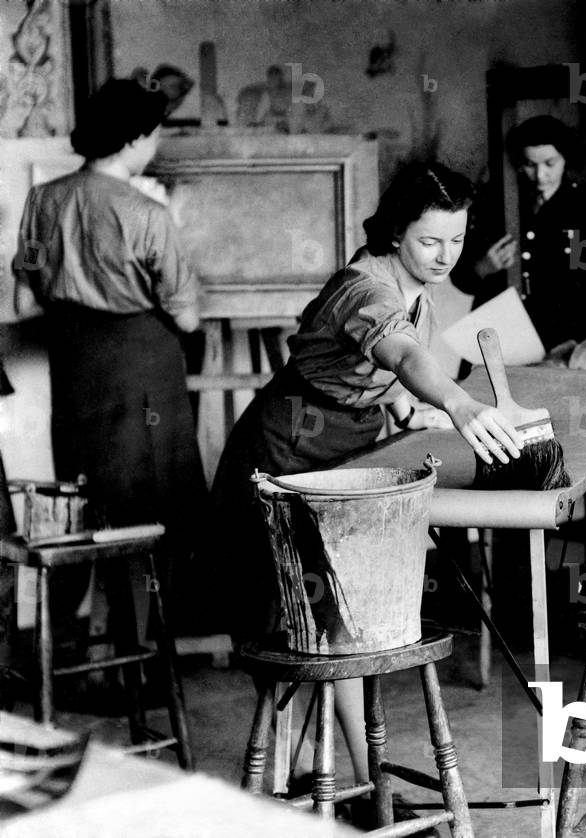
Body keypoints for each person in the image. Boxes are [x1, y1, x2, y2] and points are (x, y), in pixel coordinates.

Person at [209, 160, 523, 808]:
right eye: (429, 241)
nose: (444, 256)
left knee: (339, 622)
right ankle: (363, 788)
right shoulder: (366, 287)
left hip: (342, 456)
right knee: (324, 626)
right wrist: (463, 407)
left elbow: (388, 381)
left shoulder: (417, 292)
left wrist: (417, 410)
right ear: (395, 232)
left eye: (457, 241)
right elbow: (404, 356)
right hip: (282, 454)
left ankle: (339, 779)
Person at [11, 79, 206, 637]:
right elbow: (187, 316)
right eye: (154, 133)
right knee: (151, 509)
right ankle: (144, 648)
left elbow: (25, 297)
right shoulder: (146, 213)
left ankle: (102, 645)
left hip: (74, 366)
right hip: (140, 366)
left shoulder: (42, 201)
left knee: (90, 500)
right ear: (134, 138)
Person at [451, 115, 586, 354]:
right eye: (529, 164)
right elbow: (461, 277)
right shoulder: (495, 204)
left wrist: (572, 348)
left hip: (559, 342)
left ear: (565, 158)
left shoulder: (584, 210)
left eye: (550, 163)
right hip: (498, 340)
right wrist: (483, 267)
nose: (539, 175)